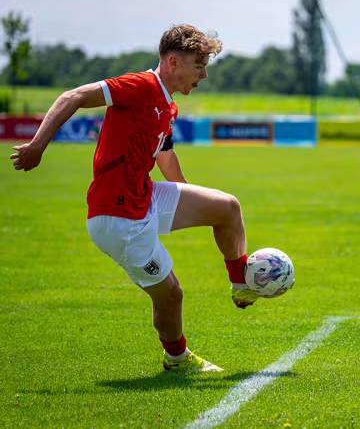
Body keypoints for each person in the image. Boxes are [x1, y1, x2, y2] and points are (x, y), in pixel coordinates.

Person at [9, 24, 262, 373]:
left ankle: (241, 286)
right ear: (173, 62)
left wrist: (193, 200)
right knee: (171, 295)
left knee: (226, 207)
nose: (203, 75)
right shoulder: (141, 86)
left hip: (142, 195)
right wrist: (38, 146)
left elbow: (166, 159)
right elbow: (73, 97)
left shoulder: (167, 106)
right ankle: (177, 359)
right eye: (199, 66)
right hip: (116, 218)